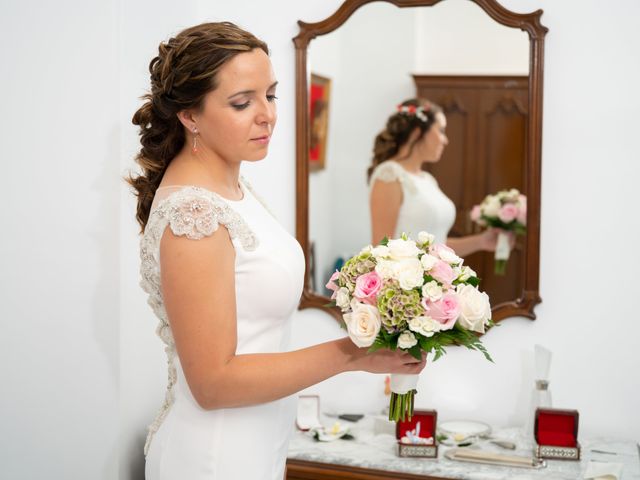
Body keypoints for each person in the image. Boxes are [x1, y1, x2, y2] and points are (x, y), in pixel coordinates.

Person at [127, 22, 427, 480]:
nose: (266, 114)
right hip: (212, 456)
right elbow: (213, 383)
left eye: (270, 95)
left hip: (254, 444)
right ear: (190, 115)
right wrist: (353, 354)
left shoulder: (232, 185)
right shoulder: (194, 214)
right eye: (242, 102)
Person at [368, 98, 498, 256]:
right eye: (441, 131)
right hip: (407, 280)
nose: (445, 140)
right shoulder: (389, 174)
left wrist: (481, 241)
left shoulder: (427, 179)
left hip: (437, 278)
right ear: (417, 132)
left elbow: (438, 246)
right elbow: (381, 250)